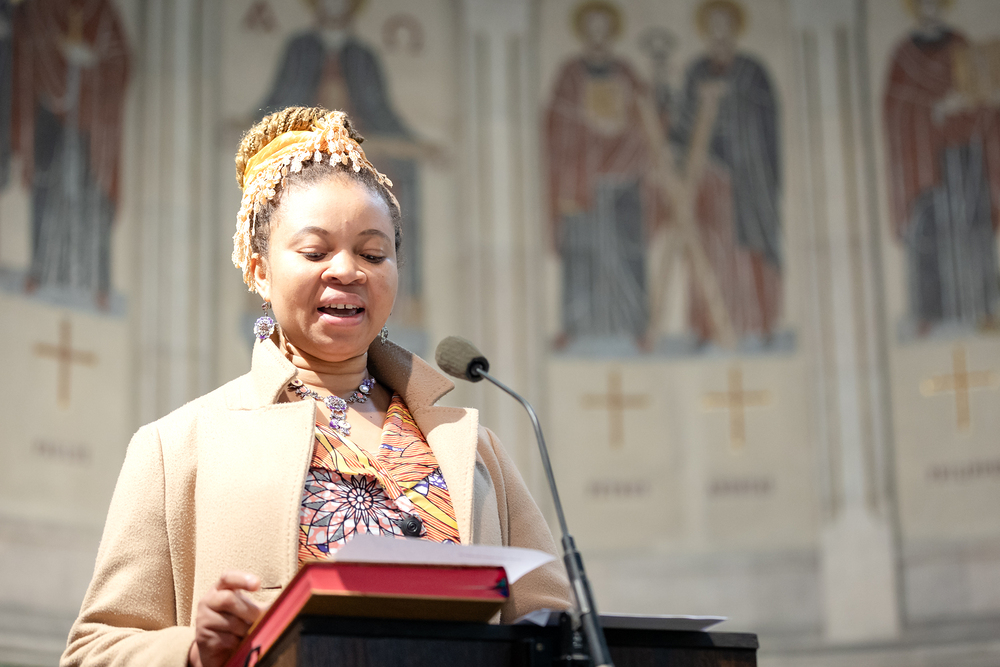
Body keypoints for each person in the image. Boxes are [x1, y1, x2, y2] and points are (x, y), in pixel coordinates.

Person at [60, 107, 572, 667]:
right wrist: (194, 650)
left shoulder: (473, 450)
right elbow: (93, 651)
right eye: (315, 252)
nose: (347, 270)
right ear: (259, 270)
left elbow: (558, 634)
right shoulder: (176, 448)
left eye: (373, 254)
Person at [545, 0, 664, 349]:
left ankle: (636, 325)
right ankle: (575, 325)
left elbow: (648, 120)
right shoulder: (570, 73)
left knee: (627, 251)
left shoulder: (626, 73)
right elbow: (556, 122)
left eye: (603, 28)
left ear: (611, 31)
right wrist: (587, 130)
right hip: (582, 179)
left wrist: (655, 94)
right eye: (591, 28)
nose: (597, 35)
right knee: (581, 254)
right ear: (584, 31)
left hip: (624, 178)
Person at [883, 0, 1000, 334]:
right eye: (924, 4)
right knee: (929, 235)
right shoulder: (904, 56)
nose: (930, 9)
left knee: (972, 233)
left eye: (936, 3)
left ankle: (980, 308)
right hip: (926, 167)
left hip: (965, 157)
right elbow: (895, 108)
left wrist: (973, 103)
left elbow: (979, 91)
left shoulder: (961, 45)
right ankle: (929, 313)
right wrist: (932, 110)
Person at [672, 0, 781, 346]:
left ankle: (760, 324)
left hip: (748, 179)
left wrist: (729, 99)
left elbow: (766, 121)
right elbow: (683, 123)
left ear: (734, 29)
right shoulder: (696, 72)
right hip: (709, 180)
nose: (719, 33)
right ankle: (706, 327)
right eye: (713, 26)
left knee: (752, 246)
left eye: (725, 25)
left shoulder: (752, 71)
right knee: (708, 250)